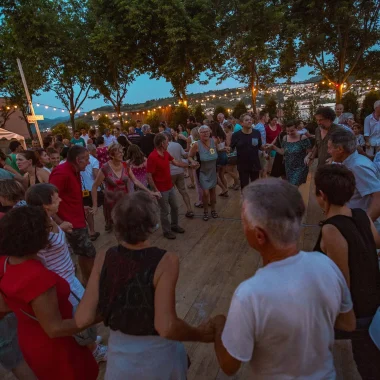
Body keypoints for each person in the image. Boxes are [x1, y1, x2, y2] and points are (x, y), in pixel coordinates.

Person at [213, 178, 355, 378]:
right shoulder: (327, 266)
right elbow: (348, 323)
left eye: (244, 222)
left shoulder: (250, 294)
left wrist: (219, 326)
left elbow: (229, 365)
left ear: (259, 236)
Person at [75, 191, 215, 379]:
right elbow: (166, 326)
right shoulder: (166, 260)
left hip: (119, 358)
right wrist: (200, 335)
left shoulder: (104, 257)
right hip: (157, 356)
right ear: (151, 225)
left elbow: (83, 317)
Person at [0, 206, 99, 380]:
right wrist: (99, 315)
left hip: (29, 338)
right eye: (48, 227)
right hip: (57, 346)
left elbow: (4, 305)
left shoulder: (7, 262)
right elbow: (55, 328)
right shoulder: (37, 277)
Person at [25, 184, 107, 362]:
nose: (60, 200)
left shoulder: (47, 219)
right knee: (81, 316)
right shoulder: (39, 231)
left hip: (68, 276)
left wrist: (62, 227)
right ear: (46, 205)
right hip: (63, 283)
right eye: (56, 198)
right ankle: (93, 349)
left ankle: (89, 340)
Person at [313, 165, 380, 379]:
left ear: (322, 195)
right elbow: (375, 243)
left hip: (358, 314)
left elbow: (342, 284)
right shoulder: (361, 215)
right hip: (373, 303)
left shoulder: (331, 229)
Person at [49, 145, 96, 285]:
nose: (88, 162)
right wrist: (59, 222)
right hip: (71, 224)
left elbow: (68, 196)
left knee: (83, 253)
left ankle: (86, 282)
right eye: (86, 159)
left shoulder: (74, 171)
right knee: (89, 253)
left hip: (77, 221)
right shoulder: (61, 173)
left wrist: (81, 207)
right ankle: (93, 285)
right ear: (77, 159)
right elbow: (47, 201)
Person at [91, 143, 159, 231]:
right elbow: (94, 186)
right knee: (118, 228)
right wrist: (95, 206)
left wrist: (150, 192)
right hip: (112, 203)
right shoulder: (105, 168)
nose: (122, 154)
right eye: (119, 152)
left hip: (125, 201)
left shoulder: (125, 165)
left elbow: (135, 181)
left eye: (122, 152)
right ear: (112, 154)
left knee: (128, 224)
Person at [327, 129, 380, 232]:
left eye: (329, 148)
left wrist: (364, 226)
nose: (328, 152)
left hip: (365, 228)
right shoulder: (348, 163)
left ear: (340, 149)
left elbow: (378, 197)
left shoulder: (358, 167)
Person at [147, 134, 192, 239]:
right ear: (162, 143)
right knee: (165, 211)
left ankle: (174, 225)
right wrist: (156, 190)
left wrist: (189, 165)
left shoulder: (165, 153)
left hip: (169, 186)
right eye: (167, 142)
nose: (168, 143)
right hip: (161, 189)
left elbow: (175, 162)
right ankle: (166, 231)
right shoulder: (152, 157)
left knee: (175, 207)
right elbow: (149, 176)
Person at [266, 121, 311, 187]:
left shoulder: (302, 137)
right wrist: (273, 147)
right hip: (289, 167)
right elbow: (283, 152)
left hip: (300, 167)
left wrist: (307, 156)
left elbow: (310, 151)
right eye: (288, 131)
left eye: (292, 131)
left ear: (297, 128)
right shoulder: (285, 138)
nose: (289, 133)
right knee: (291, 188)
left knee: (293, 187)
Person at [188, 125, 218, 221]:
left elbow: (216, 151)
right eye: (203, 132)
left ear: (210, 132)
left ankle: (213, 210)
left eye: (207, 131)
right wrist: (192, 161)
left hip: (213, 171)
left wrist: (224, 149)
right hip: (202, 172)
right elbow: (189, 156)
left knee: (213, 192)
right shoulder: (196, 144)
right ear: (199, 134)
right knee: (205, 193)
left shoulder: (214, 141)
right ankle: (205, 211)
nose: (205, 133)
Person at [230, 113, 262, 190]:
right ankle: (246, 202)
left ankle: (255, 202)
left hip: (255, 164)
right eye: (247, 120)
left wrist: (268, 147)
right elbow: (231, 148)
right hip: (243, 165)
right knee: (244, 188)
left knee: (256, 187)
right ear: (241, 123)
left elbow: (260, 146)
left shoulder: (256, 133)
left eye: (250, 120)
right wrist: (226, 149)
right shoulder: (236, 135)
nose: (249, 121)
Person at [166, 133, 194, 218]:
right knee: (183, 191)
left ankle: (171, 212)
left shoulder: (164, 147)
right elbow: (185, 155)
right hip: (180, 171)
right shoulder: (177, 145)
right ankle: (189, 209)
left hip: (170, 172)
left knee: (170, 193)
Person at [80, 151, 101, 241]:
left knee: (86, 210)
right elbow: (96, 174)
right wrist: (101, 183)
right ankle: (92, 231)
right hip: (92, 188)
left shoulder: (66, 162)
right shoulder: (94, 160)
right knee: (90, 209)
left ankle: (91, 231)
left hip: (81, 189)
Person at [210, 121, 229, 197]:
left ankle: (224, 189)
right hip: (224, 156)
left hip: (218, 157)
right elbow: (227, 145)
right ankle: (225, 191)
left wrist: (211, 153)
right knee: (222, 175)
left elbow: (216, 149)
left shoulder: (214, 138)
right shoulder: (223, 135)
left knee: (215, 175)